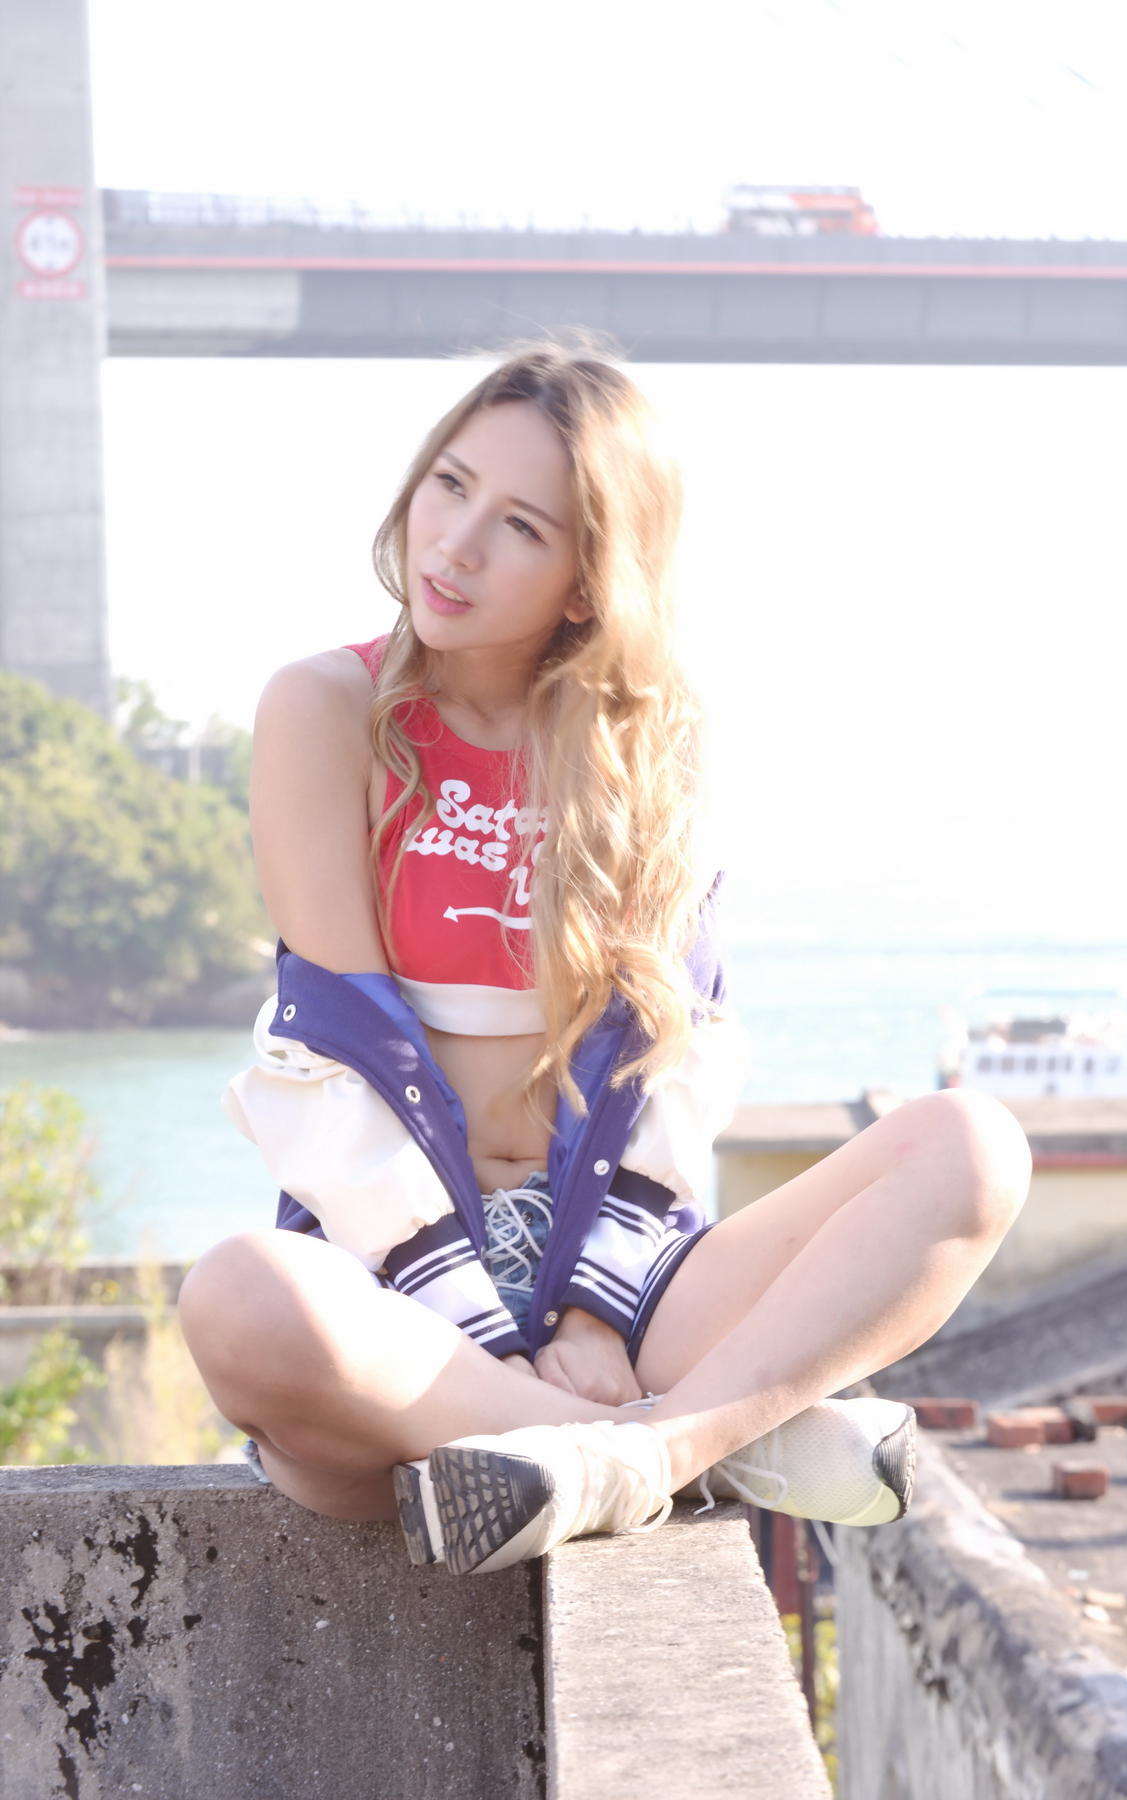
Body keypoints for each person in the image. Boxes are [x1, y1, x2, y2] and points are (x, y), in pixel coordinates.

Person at [179, 341, 1031, 1577]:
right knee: (239, 1297)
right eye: (450, 484)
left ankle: (645, 1453)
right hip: (403, 1310)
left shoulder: (653, 744)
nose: (455, 543)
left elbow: (670, 1062)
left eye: (520, 525)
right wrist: (488, 1339)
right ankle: (701, 1447)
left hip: (624, 1295)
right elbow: (335, 1068)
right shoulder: (326, 706)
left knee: (972, 1148)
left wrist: (592, 1312)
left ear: (590, 583)